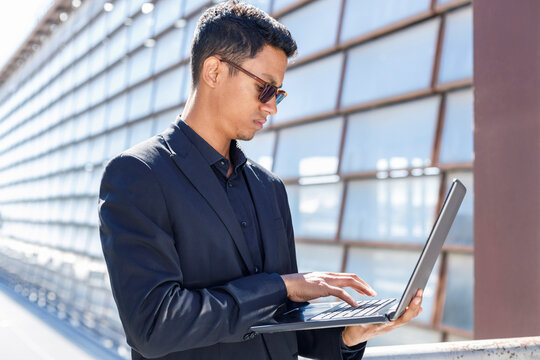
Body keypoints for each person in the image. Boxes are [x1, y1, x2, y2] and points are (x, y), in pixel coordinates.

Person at [98, 1, 423, 359]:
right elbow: (154, 325)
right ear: (214, 71)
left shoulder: (269, 188)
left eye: (278, 93)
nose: (272, 107)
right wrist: (281, 287)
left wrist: (350, 333)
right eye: (265, 88)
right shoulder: (138, 174)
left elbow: (282, 326)